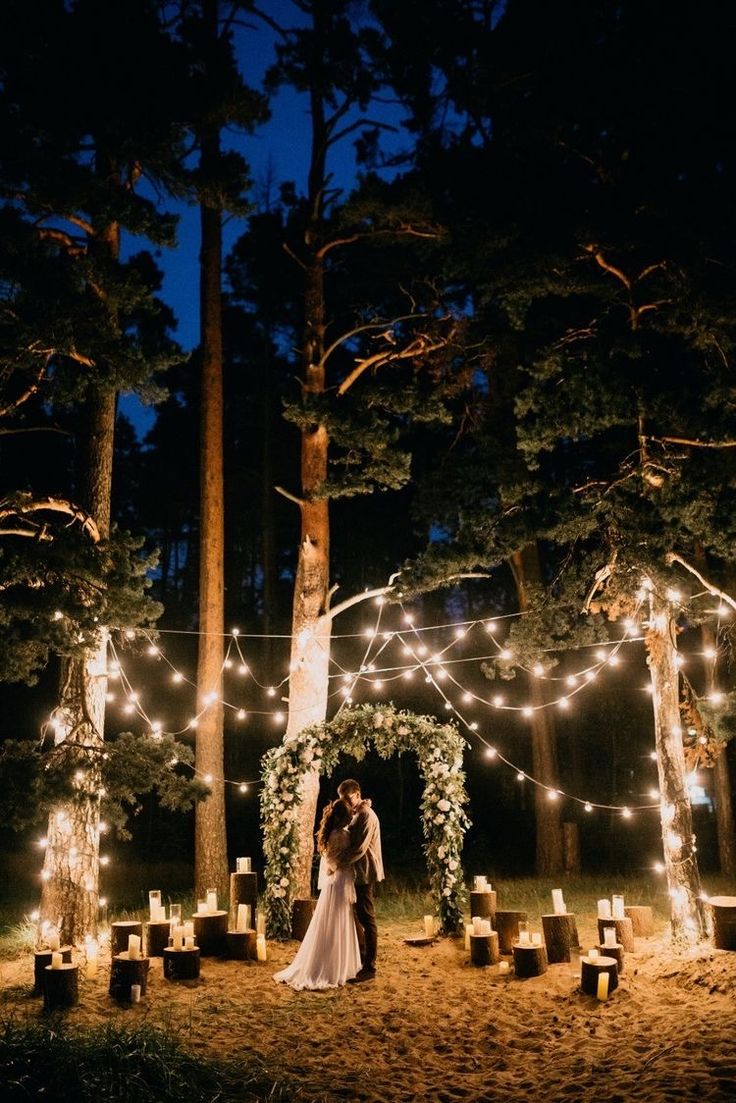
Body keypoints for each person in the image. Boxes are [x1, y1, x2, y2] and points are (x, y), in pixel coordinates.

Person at [273, 798, 360, 991]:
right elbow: (335, 859)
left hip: (334, 880)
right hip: (339, 880)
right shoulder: (342, 835)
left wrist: (336, 866)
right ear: (342, 817)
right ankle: (335, 968)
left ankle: (335, 964)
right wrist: (342, 864)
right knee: (338, 921)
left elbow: (329, 858)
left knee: (331, 922)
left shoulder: (330, 834)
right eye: (348, 816)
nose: (350, 818)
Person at [337, 778, 384, 983]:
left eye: (348, 798)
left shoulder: (365, 815)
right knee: (357, 916)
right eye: (342, 799)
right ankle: (362, 958)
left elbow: (359, 848)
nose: (346, 802)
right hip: (356, 872)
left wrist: (338, 861)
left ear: (357, 794)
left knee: (367, 917)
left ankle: (370, 967)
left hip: (365, 872)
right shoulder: (356, 813)